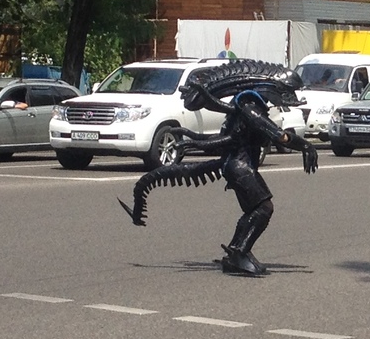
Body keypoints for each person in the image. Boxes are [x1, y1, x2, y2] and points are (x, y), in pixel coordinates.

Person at [117, 60, 318, 276]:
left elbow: (229, 138)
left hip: (239, 164)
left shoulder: (247, 106)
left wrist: (196, 141)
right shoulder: (250, 109)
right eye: (286, 91)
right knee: (263, 209)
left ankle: (236, 251)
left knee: (254, 209)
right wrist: (306, 146)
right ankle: (239, 252)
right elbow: (279, 136)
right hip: (240, 167)